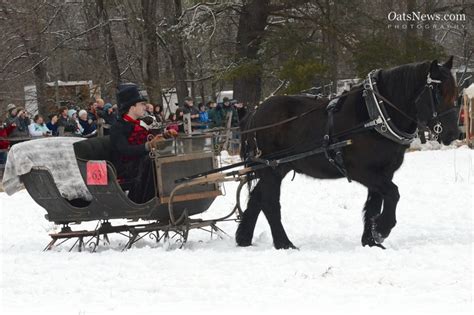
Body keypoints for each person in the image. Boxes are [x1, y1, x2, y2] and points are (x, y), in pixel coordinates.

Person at [110, 84, 177, 204]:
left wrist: (165, 136)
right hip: (124, 167)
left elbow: (152, 138)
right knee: (150, 161)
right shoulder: (118, 127)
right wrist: (149, 146)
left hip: (141, 162)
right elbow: (124, 150)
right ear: (132, 107)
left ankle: (170, 193)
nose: (145, 107)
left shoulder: (141, 123)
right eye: (141, 104)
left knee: (162, 157)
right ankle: (143, 201)